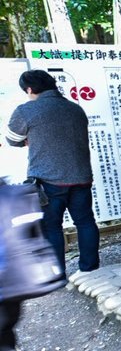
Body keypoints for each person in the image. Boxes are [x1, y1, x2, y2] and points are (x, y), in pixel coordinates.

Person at [4, 69, 98, 280]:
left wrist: (29, 139)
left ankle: (58, 275)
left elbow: (12, 139)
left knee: (51, 227)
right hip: (81, 176)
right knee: (85, 222)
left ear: (29, 89)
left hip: (49, 180)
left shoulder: (27, 110)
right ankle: (90, 269)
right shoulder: (75, 109)